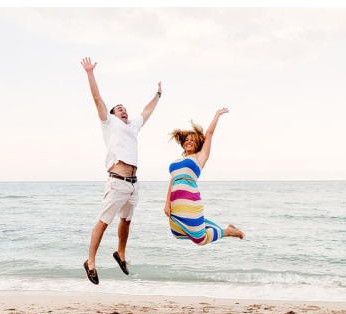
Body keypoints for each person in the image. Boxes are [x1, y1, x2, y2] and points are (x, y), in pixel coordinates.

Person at [81, 57, 162, 284]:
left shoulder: (133, 126)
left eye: (125, 108)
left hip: (133, 183)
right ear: (113, 114)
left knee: (126, 220)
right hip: (117, 180)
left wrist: (158, 95)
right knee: (104, 221)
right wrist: (90, 73)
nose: (123, 110)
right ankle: (90, 262)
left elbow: (147, 111)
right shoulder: (109, 123)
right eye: (119, 109)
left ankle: (121, 254)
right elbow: (97, 98)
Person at [164, 108, 245, 245]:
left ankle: (228, 231)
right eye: (187, 140)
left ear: (198, 143)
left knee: (200, 239)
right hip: (176, 203)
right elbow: (172, 182)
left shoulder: (200, 157)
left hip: (190, 200)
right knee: (176, 233)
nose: (188, 142)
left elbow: (209, 134)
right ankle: (206, 226)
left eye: (192, 140)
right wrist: (167, 204)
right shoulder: (177, 162)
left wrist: (217, 116)